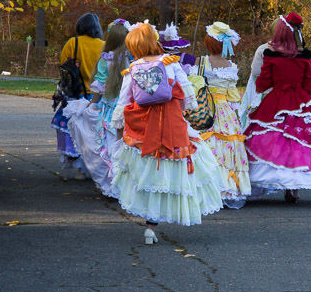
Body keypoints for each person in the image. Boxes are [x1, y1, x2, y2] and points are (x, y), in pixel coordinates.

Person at [109, 22, 225, 244]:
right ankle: (157, 222)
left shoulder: (132, 69)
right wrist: (184, 112)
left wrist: (118, 131)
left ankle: (150, 224)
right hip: (171, 125)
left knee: (149, 171)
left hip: (144, 129)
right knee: (174, 168)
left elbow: (123, 103)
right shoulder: (170, 63)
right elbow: (188, 96)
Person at [243, 13, 311, 202]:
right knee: (300, 140)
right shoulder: (304, 57)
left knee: (276, 139)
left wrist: (269, 87)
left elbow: (262, 84)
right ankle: (294, 188)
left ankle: (272, 180)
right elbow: (310, 83)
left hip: (275, 101)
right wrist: (309, 98)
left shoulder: (271, 56)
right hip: (300, 101)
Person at [63, 19, 131, 196]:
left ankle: (112, 184)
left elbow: (99, 90)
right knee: (126, 146)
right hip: (128, 111)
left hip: (108, 111)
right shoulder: (132, 59)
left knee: (108, 147)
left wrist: (89, 107)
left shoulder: (105, 60)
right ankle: (126, 185)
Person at [196, 22, 251, 208]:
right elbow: (233, 98)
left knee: (207, 145)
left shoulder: (201, 62)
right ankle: (227, 188)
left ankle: (207, 187)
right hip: (226, 112)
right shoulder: (230, 66)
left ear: (209, 43)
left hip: (206, 109)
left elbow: (194, 87)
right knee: (226, 146)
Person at [51, 13, 104, 180]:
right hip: (97, 96)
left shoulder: (72, 43)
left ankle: (80, 169)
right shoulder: (104, 46)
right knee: (95, 134)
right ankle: (97, 168)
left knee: (76, 132)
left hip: (76, 95)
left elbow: (63, 66)